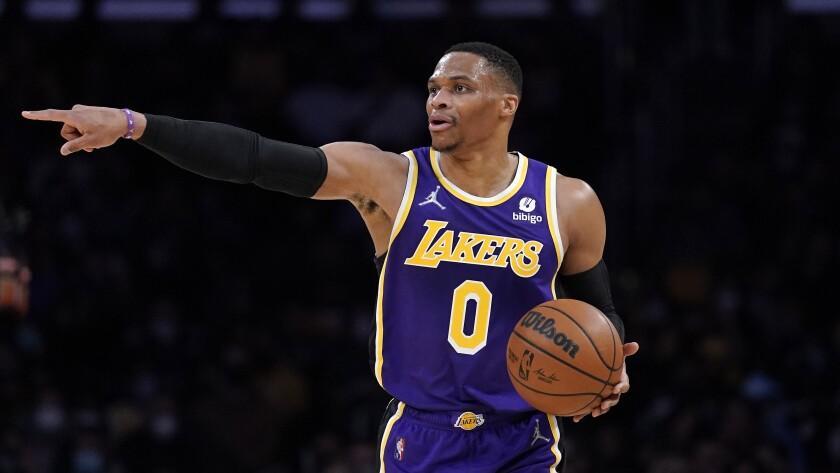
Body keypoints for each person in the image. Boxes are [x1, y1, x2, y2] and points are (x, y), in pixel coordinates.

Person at [23, 41, 639, 472]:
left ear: (508, 105)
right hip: (423, 436)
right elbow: (257, 160)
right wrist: (135, 124)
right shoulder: (388, 179)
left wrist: (611, 367)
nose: (438, 100)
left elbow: (598, 311)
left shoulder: (569, 201)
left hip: (523, 439)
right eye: (432, 89)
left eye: (460, 87)